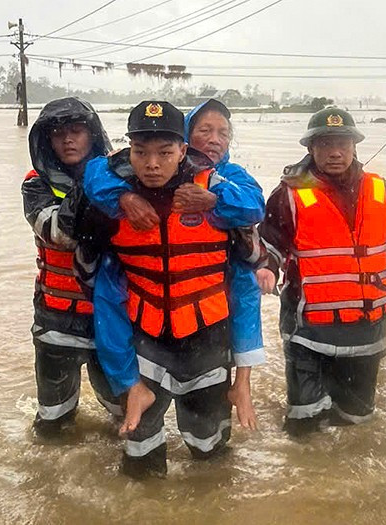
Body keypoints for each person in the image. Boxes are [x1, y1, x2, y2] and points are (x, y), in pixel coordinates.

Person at [76, 101, 262, 478]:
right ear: (128, 152)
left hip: (208, 345)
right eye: (141, 153)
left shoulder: (221, 193)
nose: (153, 164)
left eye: (165, 152)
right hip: (147, 349)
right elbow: (109, 303)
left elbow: (244, 291)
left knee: (211, 463)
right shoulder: (111, 203)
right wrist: (128, 383)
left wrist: (243, 380)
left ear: (183, 151)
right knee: (139, 465)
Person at [258, 107, 386, 435]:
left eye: (343, 144)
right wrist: (267, 269)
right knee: (304, 428)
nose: (335, 152)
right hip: (307, 332)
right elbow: (271, 245)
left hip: (366, 334)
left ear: (354, 147)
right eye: (325, 144)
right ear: (311, 149)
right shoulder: (288, 194)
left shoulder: (382, 190)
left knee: (358, 427)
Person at [21, 97, 121, 437]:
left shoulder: (119, 178)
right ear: (46, 140)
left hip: (109, 316)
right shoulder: (35, 184)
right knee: (53, 420)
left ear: (92, 135)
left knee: (123, 413)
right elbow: (57, 233)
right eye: (58, 133)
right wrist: (93, 186)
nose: (68, 139)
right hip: (55, 317)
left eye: (76, 131)